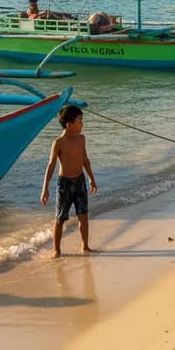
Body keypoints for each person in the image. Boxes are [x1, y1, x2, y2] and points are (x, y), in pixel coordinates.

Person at [40, 105, 98, 258]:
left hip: (79, 181)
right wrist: (45, 188)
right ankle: (56, 250)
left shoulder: (81, 138)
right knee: (60, 218)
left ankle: (85, 246)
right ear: (69, 125)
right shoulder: (59, 142)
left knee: (83, 215)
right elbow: (51, 165)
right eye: (80, 121)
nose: (82, 124)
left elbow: (85, 160)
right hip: (64, 184)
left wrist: (92, 179)